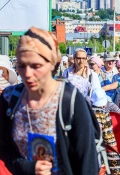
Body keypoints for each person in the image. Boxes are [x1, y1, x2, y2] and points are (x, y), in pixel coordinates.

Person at [0, 27, 99, 174]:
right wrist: (28, 167)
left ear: (53, 63)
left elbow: (88, 163)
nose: (27, 74)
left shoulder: (70, 101)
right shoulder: (10, 98)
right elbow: (5, 149)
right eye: (21, 65)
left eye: (36, 66)